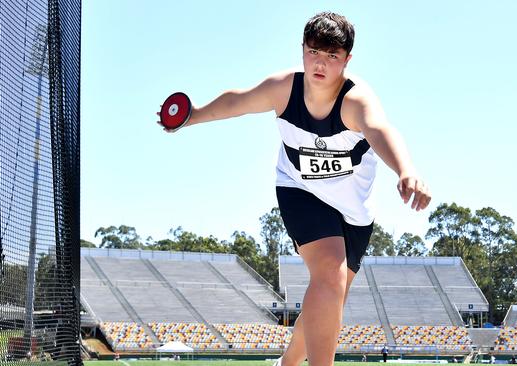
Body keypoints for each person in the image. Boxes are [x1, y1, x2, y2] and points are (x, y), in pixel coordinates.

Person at [157, 11, 431, 366]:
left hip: (355, 209)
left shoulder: (355, 100)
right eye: (314, 52)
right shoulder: (284, 89)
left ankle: (287, 363)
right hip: (300, 190)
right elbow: (238, 101)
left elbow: (380, 130)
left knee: (330, 299)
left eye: (332, 56)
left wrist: (406, 170)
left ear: (347, 60)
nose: (321, 63)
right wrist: (193, 114)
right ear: (302, 50)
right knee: (329, 275)